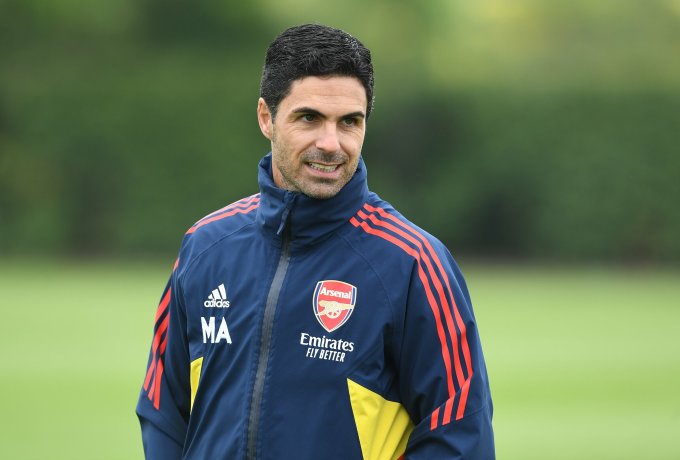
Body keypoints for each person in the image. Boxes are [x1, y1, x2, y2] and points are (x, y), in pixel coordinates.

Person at [136, 23, 495, 459]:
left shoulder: (415, 264)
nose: (331, 143)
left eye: (350, 122)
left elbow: (459, 436)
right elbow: (162, 410)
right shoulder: (206, 246)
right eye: (309, 118)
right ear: (266, 117)